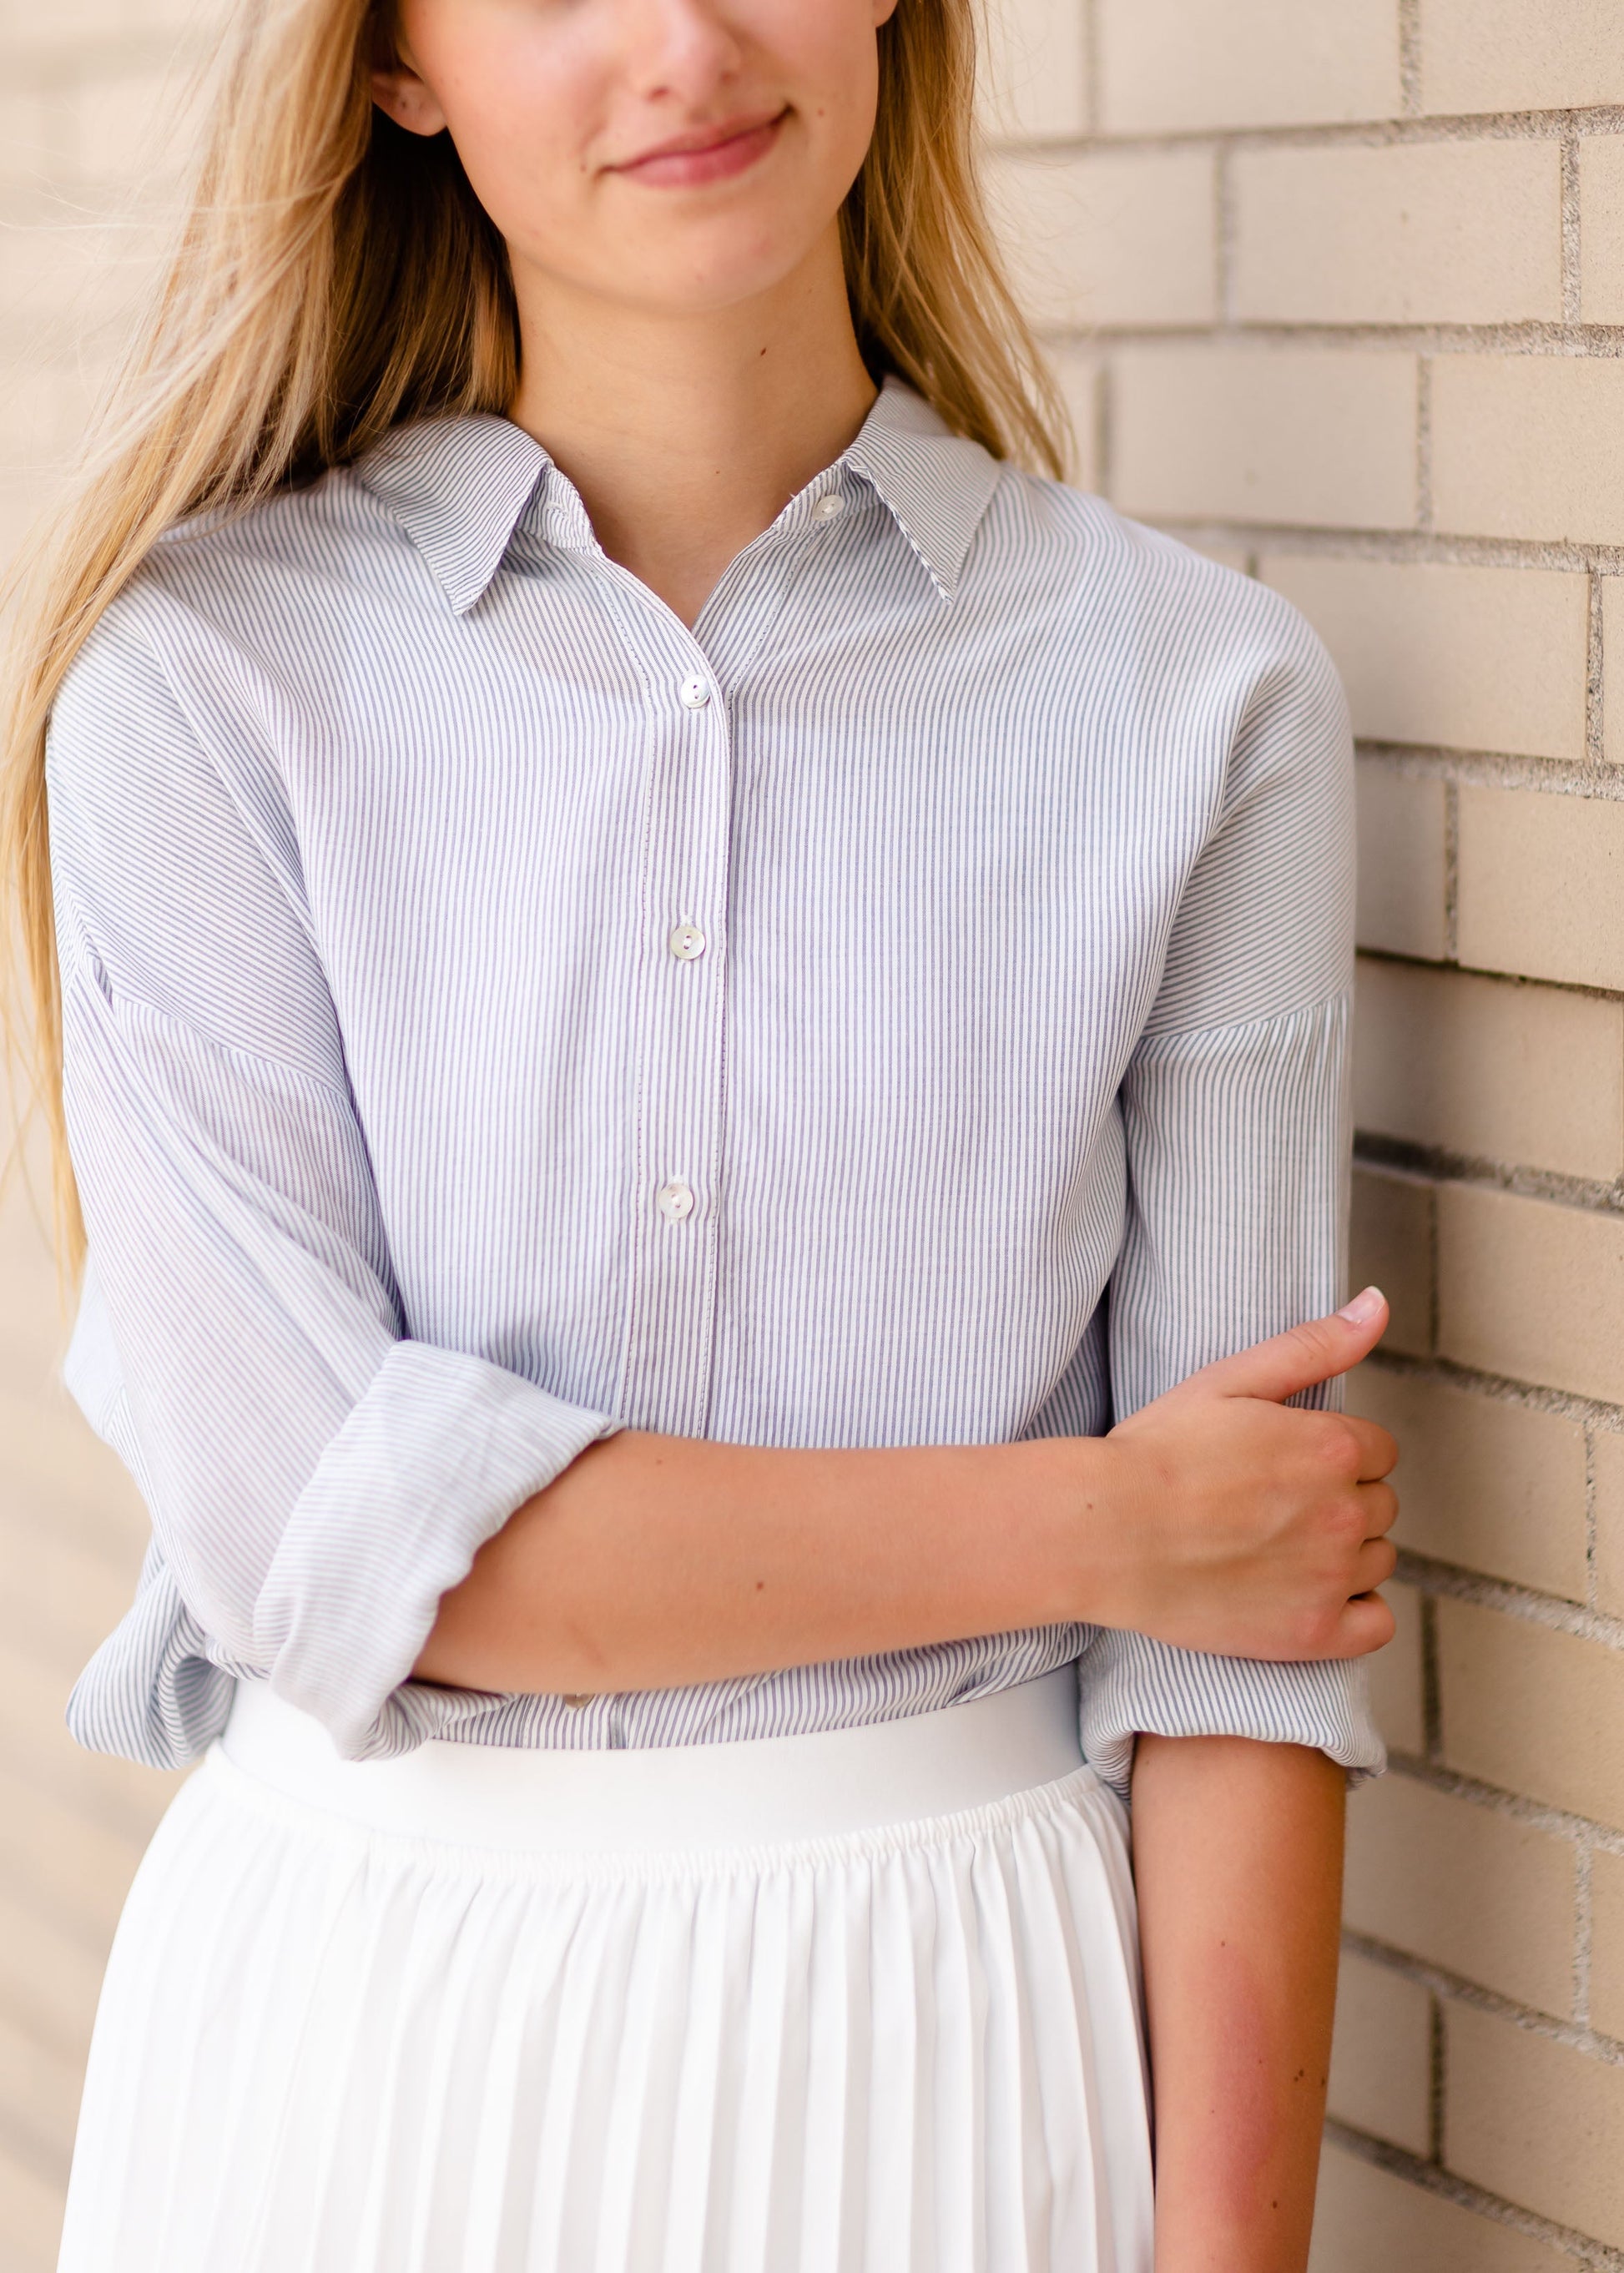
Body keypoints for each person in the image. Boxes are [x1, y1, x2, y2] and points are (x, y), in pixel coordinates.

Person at [0, 1, 1400, 2266]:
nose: (681, 42)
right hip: (361, 2040)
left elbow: (1239, 1626)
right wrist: (1096, 1521)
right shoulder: (200, 685)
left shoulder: (1191, 694)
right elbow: (352, 1553)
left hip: (963, 2038)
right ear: (392, 67)